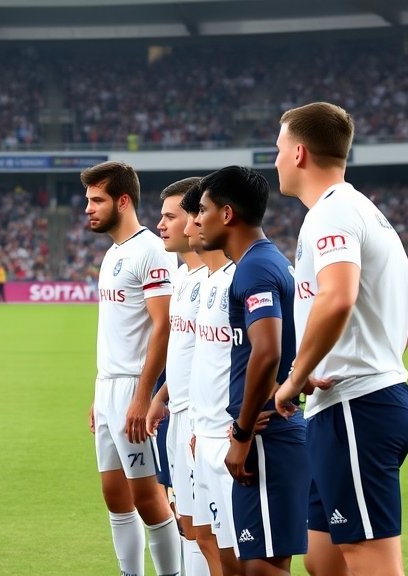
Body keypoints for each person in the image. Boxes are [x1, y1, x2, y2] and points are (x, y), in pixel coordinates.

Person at [272, 102, 408, 576]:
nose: (275, 159)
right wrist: (371, 358)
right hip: (355, 405)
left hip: (356, 409)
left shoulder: (331, 214)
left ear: (298, 153)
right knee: (323, 559)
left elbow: (337, 298)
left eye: (278, 148)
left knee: (370, 563)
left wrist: (296, 376)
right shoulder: (362, 210)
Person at [196, 165, 307, 576]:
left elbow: (267, 351)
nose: (198, 219)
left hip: (265, 435)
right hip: (271, 431)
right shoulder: (267, 261)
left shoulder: (256, 268)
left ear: (227, 214)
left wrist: (242, 433)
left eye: (203, 209)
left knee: (263, 568)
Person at [83, 161, 181, 576]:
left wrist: (143, 396)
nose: (88, 208)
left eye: (97, 200)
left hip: (134, 391)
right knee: (114, 495)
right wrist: (97, 393)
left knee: (147, 497)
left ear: (123, 201)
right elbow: (114, 330)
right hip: (109, 389)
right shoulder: (113, 253)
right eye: (88, 200)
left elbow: (165, 325)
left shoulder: (150, 250)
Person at [147, 177, 210, 575]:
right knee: (186, 523)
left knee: (208, 530)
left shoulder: (219, 280)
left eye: (171, 216)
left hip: (206, 422)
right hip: (179, 413)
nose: (162, 225)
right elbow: (190, 355)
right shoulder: (184, 279)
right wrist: (162, 395)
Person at [181, 181, 242, 576]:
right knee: (205, 537)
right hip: (202, 429)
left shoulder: (244, 276)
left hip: (228, 436)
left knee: (236, 552)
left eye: (196, 214)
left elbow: (268, 354)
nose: (192, 225)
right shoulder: (206, 281)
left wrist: (242, 430)